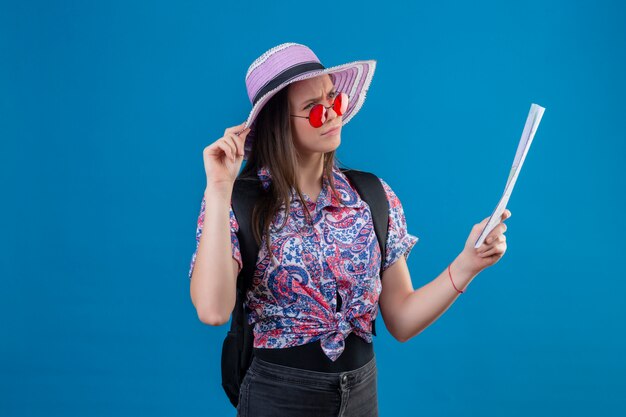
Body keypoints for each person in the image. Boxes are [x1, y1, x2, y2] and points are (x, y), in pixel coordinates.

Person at [188, 43, 511, 417]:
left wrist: (468, 262)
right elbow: (212, 310)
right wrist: (217, 187)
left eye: (332, 99)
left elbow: (402, 319)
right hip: (279, 398)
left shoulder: (371, 196)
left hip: (361, 393)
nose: (330, 114)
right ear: (278, 123)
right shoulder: (236, 202)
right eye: (312, 109)